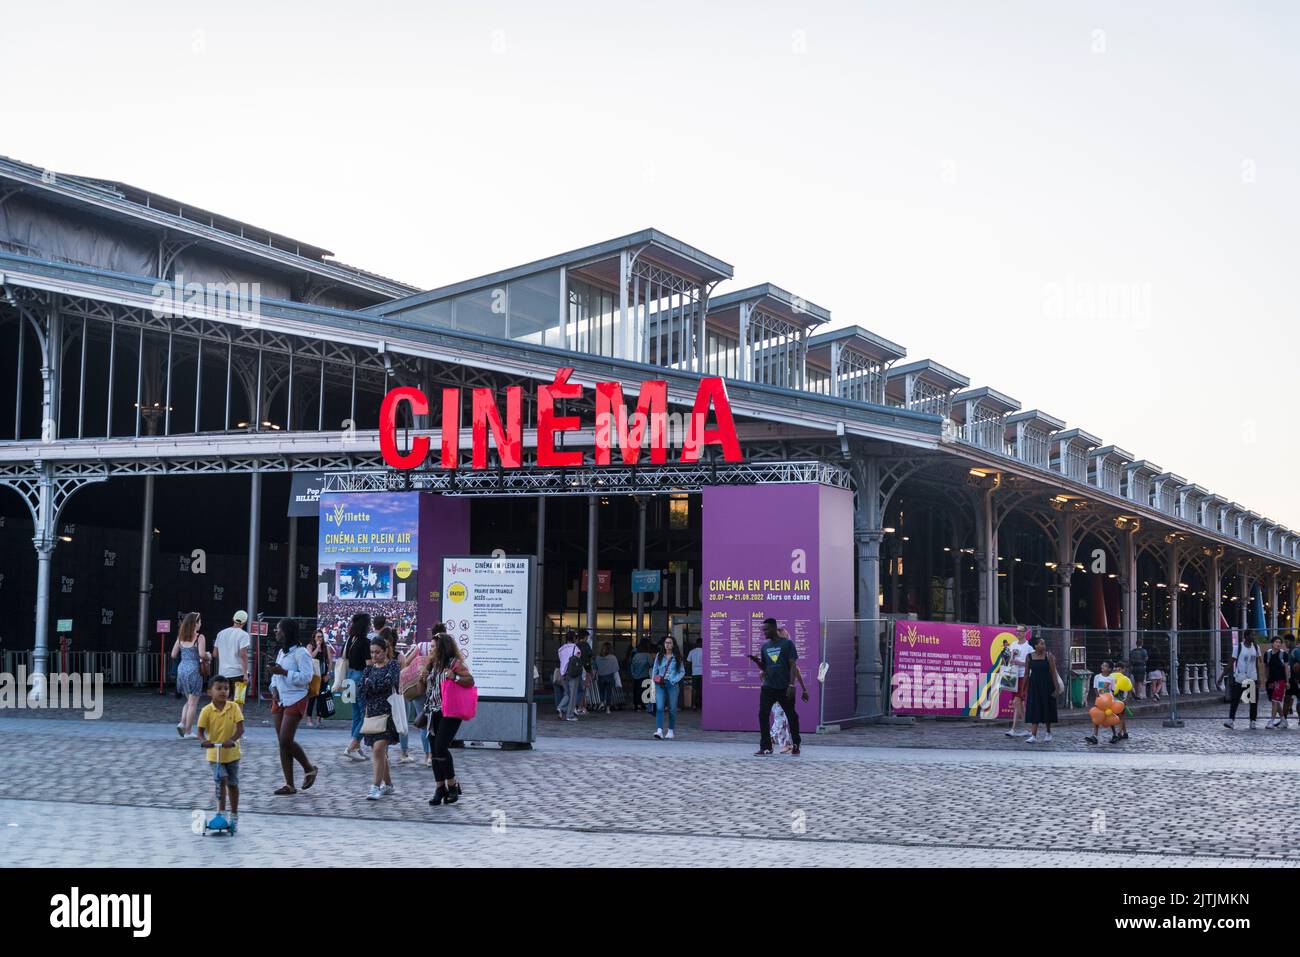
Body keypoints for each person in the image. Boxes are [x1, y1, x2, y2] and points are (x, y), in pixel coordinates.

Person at [423, 630, 475, 806]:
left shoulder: (453, 663)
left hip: (450, 711)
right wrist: (422, 678)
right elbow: (426, 688)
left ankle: (452, 784)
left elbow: (470, 681)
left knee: (440, 747)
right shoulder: (431, 665)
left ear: (442, 648)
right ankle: (440, 788)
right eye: (430, 647)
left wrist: (455, 677)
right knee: (434, 751)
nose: (430, 650)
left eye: (433, 647)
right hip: (432, 711)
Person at [269, 618, 318, 795]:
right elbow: (275, 675)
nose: (275, 631)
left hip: (296, 698)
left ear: (287, 631)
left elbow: (306, 677)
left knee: (285, 740)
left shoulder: (301, 653)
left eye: (278, 629)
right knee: (283, 744)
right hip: (280, 697)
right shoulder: (282, 652)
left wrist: (284, 672)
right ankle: (289, 784)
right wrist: (273, 686)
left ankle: (309, 768)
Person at [196, 675, 244, 834]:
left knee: (233, 784)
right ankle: (221, 812)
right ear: (210, 692)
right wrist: (204, 741)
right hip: (214, 754)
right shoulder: (206, 711)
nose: (223, 692)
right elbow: (200, 732)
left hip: (232, 754)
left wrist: (232, 740)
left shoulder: (234, 707)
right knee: (221, 780)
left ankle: (234, 815)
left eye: (226, 689)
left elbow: (240, 729)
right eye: (219, 688)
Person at [751, 618, 801, 756]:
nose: (764, 632)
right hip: (768, 687)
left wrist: (791, 684)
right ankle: (766, 747)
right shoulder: (765, 647)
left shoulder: (787, 644)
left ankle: (796, 743)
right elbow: (765, 667)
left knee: (791, 716)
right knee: (763, 715)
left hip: (784, 687)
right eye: (763, 629)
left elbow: (793, 665)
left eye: (766, 629)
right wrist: (757, 662)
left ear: (773, 628)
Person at [359, 636, 400, 800]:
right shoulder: (368, 669)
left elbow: (388, 684)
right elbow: (361, 689)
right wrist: (371, 685)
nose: (374, 655)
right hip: (372, 714)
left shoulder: (393, 666)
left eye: (377, 652)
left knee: (378, 749)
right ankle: (388, 785)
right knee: (380, 752)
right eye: (372, 652)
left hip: (388, 714)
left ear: (385, 651)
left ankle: (375, 787)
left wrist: (371, 685)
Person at [401, 622, 445, 767]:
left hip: (419, 688)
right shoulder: (447, 649)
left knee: (423, 722)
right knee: (437, 723)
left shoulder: (421, 646)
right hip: (438, 689)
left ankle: (428, 756)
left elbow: (406, 662)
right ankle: (435, 754)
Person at [171, 612, 207, 738]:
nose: (201, 624)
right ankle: (188, 731)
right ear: (194, 624)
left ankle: (182, 723)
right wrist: (207, 656)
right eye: (199, 622)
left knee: (189, 700)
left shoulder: (180, 637)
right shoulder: (199, 637)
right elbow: (202, 655)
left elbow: (173, 655)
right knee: (193, 703)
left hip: (182, 669)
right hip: (194, 670)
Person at [342, 613, 371, 760]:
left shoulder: (350, 640)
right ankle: (352, 746)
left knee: (356, 714)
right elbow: (369, 664)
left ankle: (356, 747)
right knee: (364, 715)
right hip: (360, 677)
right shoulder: (365, 642)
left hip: (350, 677)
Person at [1022, 637, 1059, 743]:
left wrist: (1056, 689)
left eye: (1044, 643)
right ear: (1035, 646)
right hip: (1034, 686)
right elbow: (1026, 674)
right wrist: (1023, 689)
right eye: (1041, 644)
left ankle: (1048, 732)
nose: (1044, 646)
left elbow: (1053, 673)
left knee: (1047, 707)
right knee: (1035, 708)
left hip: (1047, 685)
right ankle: (1033, 735)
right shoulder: (1029, 657)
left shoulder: (1049, 656)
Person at [212, 610, 250, 703]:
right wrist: (245, 674)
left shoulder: (221, 633)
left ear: (233, 619)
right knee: (239, 701)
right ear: (245, 622)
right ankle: (237, 718)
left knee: (226, 701)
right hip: (239, 673)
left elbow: (215, 654)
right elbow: (243, 655)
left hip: (224, 673)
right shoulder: (244, 635)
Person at [1001, 626, 1033, 738]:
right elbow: (1009, 660)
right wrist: (1011, 658)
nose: (1018, 632)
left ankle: (1014, 729)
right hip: (1013, 675)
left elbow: (1030, 664)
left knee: (1017, 701)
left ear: (1025, 633)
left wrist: (1018, 662)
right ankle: (1024, 728)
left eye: (1020, 631)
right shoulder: (1013, 644)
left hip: (1023, 676)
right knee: (1018, 703)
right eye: (1017, 631)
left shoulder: (1029, 647)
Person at [651, 635, 686, 740]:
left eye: (669, 642)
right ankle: (659, 731)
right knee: (660, 707)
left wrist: (674, 680)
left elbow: (682, 671)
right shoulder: (659, 655)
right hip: (660, 684)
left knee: (672, 708)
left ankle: (670, 731)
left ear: (673, 645)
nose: (667, 644)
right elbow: (654, 670)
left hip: (672, 685)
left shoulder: (677, 657)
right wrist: (653, 681)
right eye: (666, 642)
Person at [1224, 635, 1261, 730]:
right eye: (1251, 635)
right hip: (1240, 678)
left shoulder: (1256, 647)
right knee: (1235, 700)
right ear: (1246, 637)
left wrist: (1259, 677)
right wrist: (1221, 676)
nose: (1253, 637)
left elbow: (1257, 663)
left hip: (1252, 677)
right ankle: (1231, 720)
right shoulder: (1238, 647)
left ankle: (1253, 721)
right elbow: (1231, 662)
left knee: (1253, 701)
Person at [306, 629, 333, 728]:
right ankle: (309, 719)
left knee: (321, 698)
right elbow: (310, 657)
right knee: (312, 697)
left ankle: (318, 718)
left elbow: (330, 662)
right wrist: (317, 648)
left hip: (323, 675)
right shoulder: (310, 646)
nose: (320, 639)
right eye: (318, 637)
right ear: (314, 637)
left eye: (321, 637)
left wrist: (328, 674)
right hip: (314, 676)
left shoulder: (326, 648)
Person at [1084, 660, 1114, 745]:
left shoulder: (1111, 678)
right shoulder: (1097, 677)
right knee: (1096, 718)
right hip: (1100, 700)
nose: (1102, 667)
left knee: (1110, 717)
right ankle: (1095, 736)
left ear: (1109, 669)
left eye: (1105, 666)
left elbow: (1113, 690)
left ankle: (1114, 734)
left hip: (1109, 701)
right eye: (1102, 665)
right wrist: (1098, 698)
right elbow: (1095, 688)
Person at [557, 631, 582, 721]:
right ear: (574, 638)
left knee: (567, 694)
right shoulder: (576, 648)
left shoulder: (561, 649)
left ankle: (560, 707)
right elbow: (577, 660)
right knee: (573, 695)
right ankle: (569, 715)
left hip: (563, 673)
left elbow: (561, 660)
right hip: (572, 674)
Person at [1265, 637, 1289, 729]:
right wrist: (1267, 680)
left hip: (1281, 681)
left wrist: (1287, 681)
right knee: (1275, 701)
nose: (1278, 644)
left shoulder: (1284, 654)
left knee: (1275, 701)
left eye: (1279, 642)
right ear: (1272, 643)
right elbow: (1266, 667)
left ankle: (1271, 722)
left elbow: (1286, 669)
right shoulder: (1267, 654)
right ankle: (1283, 720)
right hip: (1271, 681)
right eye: (1276, 642)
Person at [629, 638, 654, 713]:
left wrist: (633, 674)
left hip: (636, 676)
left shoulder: (635, 655)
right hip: (645, 675)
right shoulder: (647, 655)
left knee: (636, 690)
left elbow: (632, 665)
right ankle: (645, 705)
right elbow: (651, 664)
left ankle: (637, 705)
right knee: (645, 691)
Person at [595, 642, 620, 713]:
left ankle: (602, 702)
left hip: (600, 676)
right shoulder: (613, 658)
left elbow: (595, 667)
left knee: (601, 691)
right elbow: (616, 668)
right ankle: (608, 709)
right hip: (609, 676)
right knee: (609, 692)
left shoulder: (598, 657)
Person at [576, 629, 595, 715]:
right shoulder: (586, 645)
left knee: (578, 689)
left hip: (577, 670)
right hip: (586, 670)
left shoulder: (576, 645)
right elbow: (590, 655)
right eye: (587, 637)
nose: (587, 638)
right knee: (584, 690)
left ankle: (577, 707)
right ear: (585, 637)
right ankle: (583, 708)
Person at [686, 639, 704, 711]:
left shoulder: (692, 652)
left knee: (695, 689)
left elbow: (688, 662)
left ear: (696, 644)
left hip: (695, 673)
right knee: (702, 690)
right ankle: (702, 705)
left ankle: (694, 705)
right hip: (703, 673)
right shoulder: (705, 651)